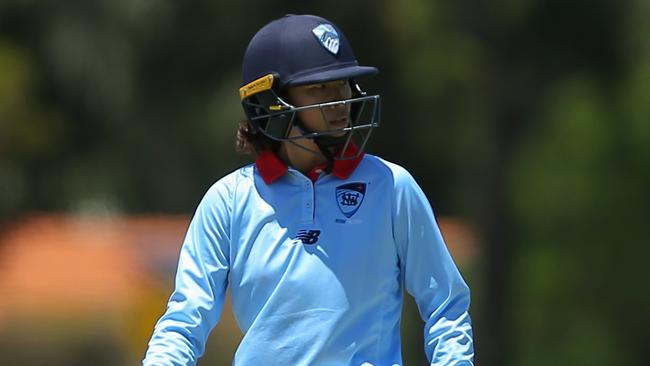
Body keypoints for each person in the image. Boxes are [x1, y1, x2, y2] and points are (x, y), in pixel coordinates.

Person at [143, 14, 474, 366]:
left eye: (343, 84)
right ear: (272, 102)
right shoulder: (228, 201)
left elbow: (446, 306)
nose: (340, 101)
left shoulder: (392, 187)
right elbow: (184, 324)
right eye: (319, 88)